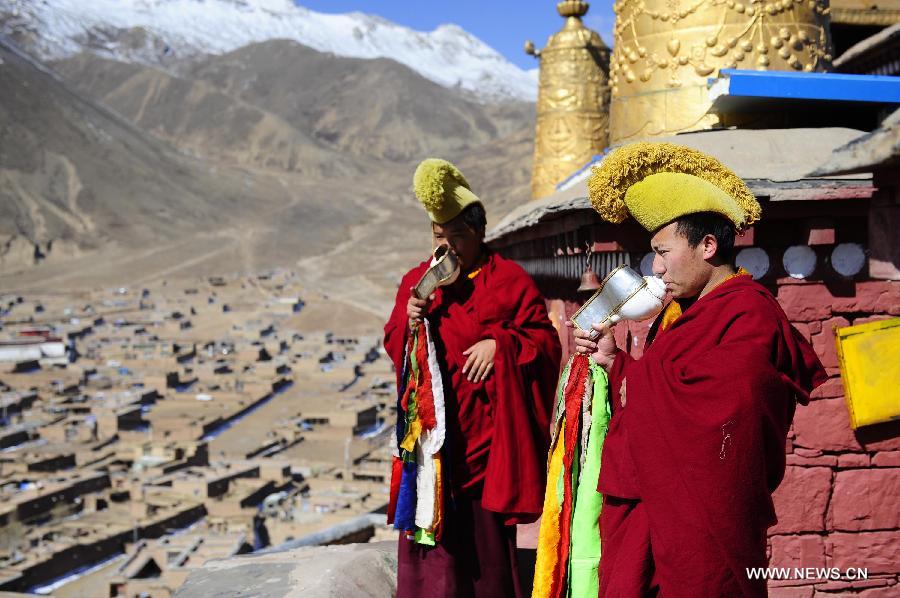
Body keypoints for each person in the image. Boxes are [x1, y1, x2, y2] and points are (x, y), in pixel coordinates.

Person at [571, 142, 827, 597]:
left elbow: (720, 410)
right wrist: (614, 362)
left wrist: (637, 378)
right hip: (651, 503)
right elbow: (667, 388)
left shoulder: (749, 314)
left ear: (708, 245)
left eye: (664, 251)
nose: (656, 267)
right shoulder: (684, 314)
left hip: (703, 518)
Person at [384, 158, 562, 597]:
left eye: (456, 237)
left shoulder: (510, 282)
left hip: (487, 443)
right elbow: (395, 346)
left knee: (487, 558)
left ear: (479, 233)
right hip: (435, 444)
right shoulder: (418, 282)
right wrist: (410, 322)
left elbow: (545, 344)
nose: (446, 250)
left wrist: (500, 346)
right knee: (434, 553)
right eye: (438, 238)